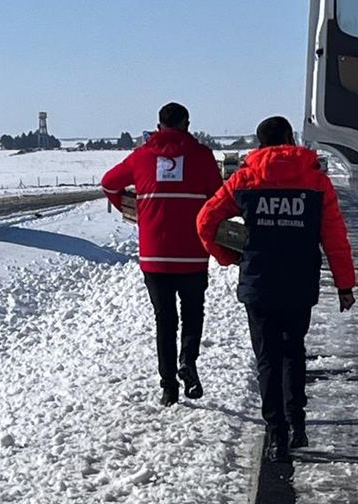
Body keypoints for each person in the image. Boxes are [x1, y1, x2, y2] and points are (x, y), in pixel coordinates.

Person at [196, 116, 356, 462]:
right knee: (293, 352)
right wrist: (345, 285)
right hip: (300, 284)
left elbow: (205, 221)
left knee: (267, 358)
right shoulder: (316, 182)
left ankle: (275, 435)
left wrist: (227, 255)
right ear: (289, 138)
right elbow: (335, 238)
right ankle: (298, 423)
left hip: (260, 284)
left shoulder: (245, 179)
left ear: (260, 143)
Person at [101, 103, 222, 407]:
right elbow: (219, 197)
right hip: (193, 253)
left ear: (158, 126)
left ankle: (168, 387)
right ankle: (188, 362)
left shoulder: (142, 156)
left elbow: (108, 183)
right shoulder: (202, 156)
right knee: (193, 314)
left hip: (155, 256)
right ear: (187, 124)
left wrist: (131, 209)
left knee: (164, 321)